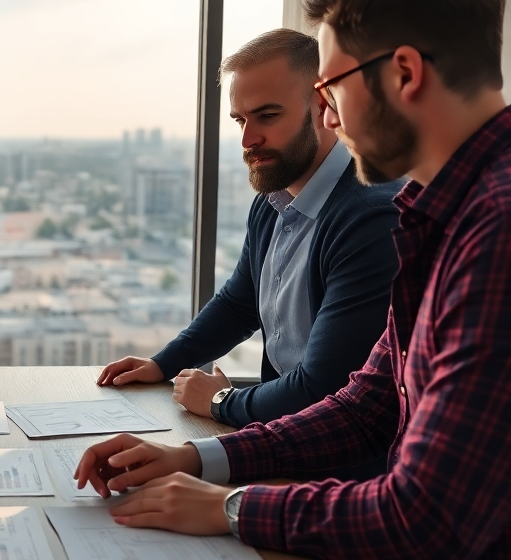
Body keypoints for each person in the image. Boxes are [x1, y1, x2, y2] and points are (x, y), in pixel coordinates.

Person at [75, 0, 511, 560]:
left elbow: (425, 519)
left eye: (333, 86)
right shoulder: (442, 210)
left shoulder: (495, 228)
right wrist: (197, 461)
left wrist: (232, 507)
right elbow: (371, 398)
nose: (329, 115)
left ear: (403, 72)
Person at [98, 29, 400, 435]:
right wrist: (162, 363)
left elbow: (326, 387)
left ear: (324, 104)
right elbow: (240, 303)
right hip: (284, 439)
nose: (247, 139)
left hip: (343, 467)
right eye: (240, 119)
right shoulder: (274, 197)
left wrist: (222, 401)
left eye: (267, 116)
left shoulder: (370, 218)